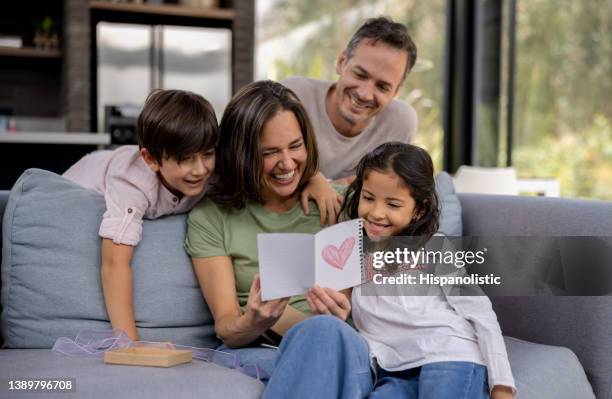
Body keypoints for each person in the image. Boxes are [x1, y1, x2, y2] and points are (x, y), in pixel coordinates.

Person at [263, 143, 516, 399]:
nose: (376, 213)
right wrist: (329, 311)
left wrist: (502, 385)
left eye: (393, 205)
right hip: (391, 368)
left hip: (449, 354)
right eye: (368, 198)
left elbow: (479, 310)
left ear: (419, 210)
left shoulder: (436, 247)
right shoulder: (349, 248)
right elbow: (340, 315)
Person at [184, 80, 350, 377]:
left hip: (337, 347)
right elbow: (228, 329)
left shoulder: (335, 203)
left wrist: (343, 316)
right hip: (257, 351)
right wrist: (254, 321)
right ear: (241, 154)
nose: (287, 163)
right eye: (268, 153)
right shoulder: (212, 218)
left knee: (328, 344)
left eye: (296, 146)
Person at [63, 89, 219, 341]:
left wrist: (309, 179)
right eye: (185, 159)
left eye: (208, 154)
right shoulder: (132, 181)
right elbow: (114, 264)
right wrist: (130, 346)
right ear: (151, 159)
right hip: (81, 181)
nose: (200, 169)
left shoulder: (211, 171)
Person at [282, 16, 418, 184]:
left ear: (396, 91)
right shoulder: (294, 96)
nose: (365, 94)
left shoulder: (400, 123)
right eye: (360, 75)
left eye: (382, 87)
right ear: (341, 62)